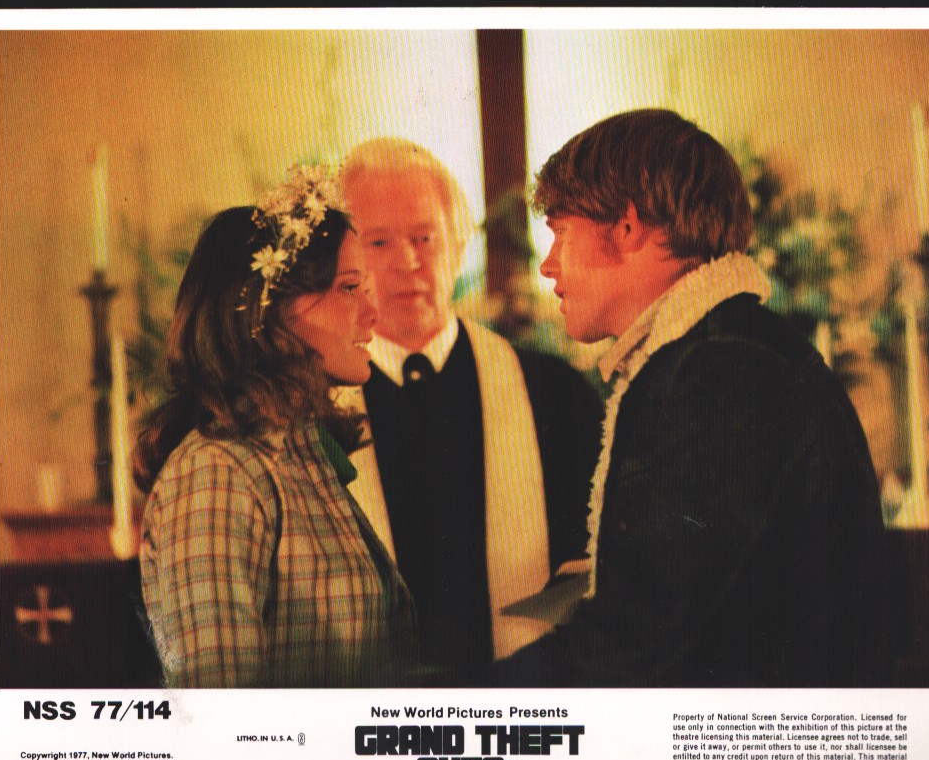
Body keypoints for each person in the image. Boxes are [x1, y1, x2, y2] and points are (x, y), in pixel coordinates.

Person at [493, 109, 890, 688]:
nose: (549, 265)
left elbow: (647, 633)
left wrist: (470, 701)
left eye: (561, 233)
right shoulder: (712, 350)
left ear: (626, 228)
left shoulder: (725, 369)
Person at [134, 165, 415, 688]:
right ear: (271, 312)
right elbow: (219, 708)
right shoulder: (216, 475)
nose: (373, 312)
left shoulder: (299, 455)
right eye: (349, 287)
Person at [338, 138, 603, 680]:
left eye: (425, 237)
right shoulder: (309, 408)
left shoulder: (553, 392)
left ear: (458, 247)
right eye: (378, 242)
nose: (407, 262)